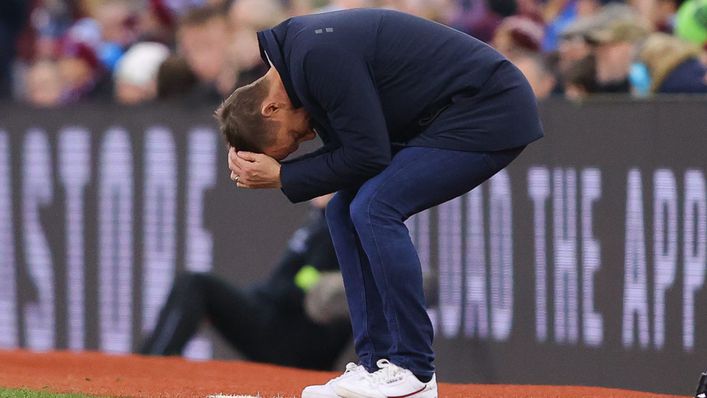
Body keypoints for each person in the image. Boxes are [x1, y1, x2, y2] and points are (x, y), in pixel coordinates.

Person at [216, 8, 543, 398]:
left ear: (271, 108)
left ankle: (414, 369)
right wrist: (289, 174)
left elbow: (368, 155)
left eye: (290, 140)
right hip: (449, 114)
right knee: (342, 209)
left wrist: (285, 176)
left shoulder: (314, 57)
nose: (303, 141)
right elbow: (357, 151)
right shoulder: (301, 59)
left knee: (373, 207)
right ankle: (377, 365)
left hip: (489, 107)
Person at [140, 195, 352, 371]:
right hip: (274, 318)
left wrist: (259, 296)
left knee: (196, 284)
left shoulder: (338, 228)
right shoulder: (319, 222)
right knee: (191, 284)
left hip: (291, 341)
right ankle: (140, 363)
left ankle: (153, 366)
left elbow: (306, 287)